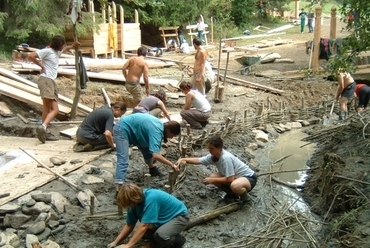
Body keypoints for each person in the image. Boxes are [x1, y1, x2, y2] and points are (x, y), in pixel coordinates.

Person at [27, 35, 80, 143]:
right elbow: (31, 55)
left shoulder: (57, 52)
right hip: (46, 80)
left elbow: (65, 49)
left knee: (55, 110)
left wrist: (73, 46)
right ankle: (44, 128)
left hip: (51, 81)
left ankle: (44, 128)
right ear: (58, 44)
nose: (63, 47)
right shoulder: (48, 51)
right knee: (47, 108)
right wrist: (42, 66)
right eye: (62, 44)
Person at [176, 136, 257, 202]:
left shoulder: (226, 158)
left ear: (219, 148)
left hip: (249, 178)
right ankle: (232, 194)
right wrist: (184, 159)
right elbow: (199, 160)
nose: (209, 150)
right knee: (213, 176)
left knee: (234, 185)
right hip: (237, 177)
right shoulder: (214, 156)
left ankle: (246, 199)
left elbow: (230, 179)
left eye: (212, 148)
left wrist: (213, 180)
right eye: (209, 148)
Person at [113, 114, 181, 191]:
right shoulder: (156, 131)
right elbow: (156, 155)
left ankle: (152, 169)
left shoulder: (161, 126)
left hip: (135, 130)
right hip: (122, 128)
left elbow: (152, 150)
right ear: (168, 131)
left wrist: (153, 155)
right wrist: (171, 164)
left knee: (146, 147)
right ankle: (118, 187)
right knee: (123, 159)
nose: (172, 137)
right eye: (173, 135)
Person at [108, 183, 189, 248]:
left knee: (160, 236)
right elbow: (129, 224)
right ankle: (164, 235)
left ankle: (178, 240)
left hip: (179, 217)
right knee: (144, 234)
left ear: (134, 199)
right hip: (163, 219)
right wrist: (116, 242)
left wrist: (128, 245)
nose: (129, 207)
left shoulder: (151, 198)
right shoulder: (133, 204)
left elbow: (144, 225)